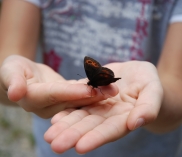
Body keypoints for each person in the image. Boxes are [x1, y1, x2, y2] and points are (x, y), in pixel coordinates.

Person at [0, 0, 182, 157]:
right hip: (55, 143)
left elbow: (176, 83)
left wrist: (154, 96)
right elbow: (9, 53)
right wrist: (10, 81)